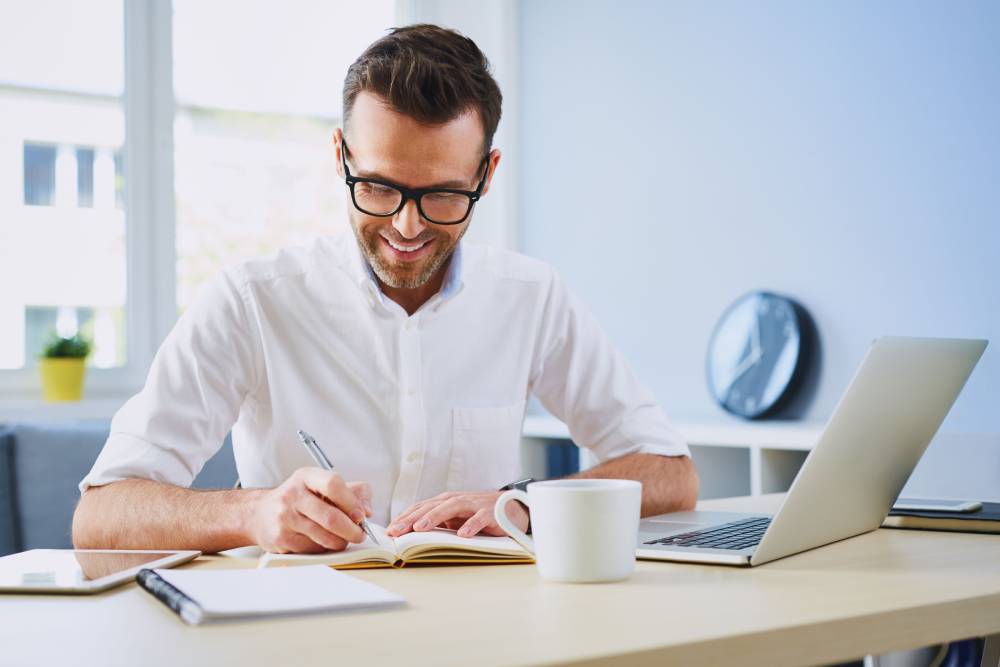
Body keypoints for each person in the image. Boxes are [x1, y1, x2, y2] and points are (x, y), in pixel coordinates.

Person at [72, 24, 698, 554]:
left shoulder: (531, 297)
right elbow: (99, 517)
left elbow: (670, 473)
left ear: (487, 173)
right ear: (341, 156)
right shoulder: (252, 300)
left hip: (483, 638)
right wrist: (253, 513)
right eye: (378, 187)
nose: (407, 226)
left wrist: (526, 507)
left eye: (444, 195)